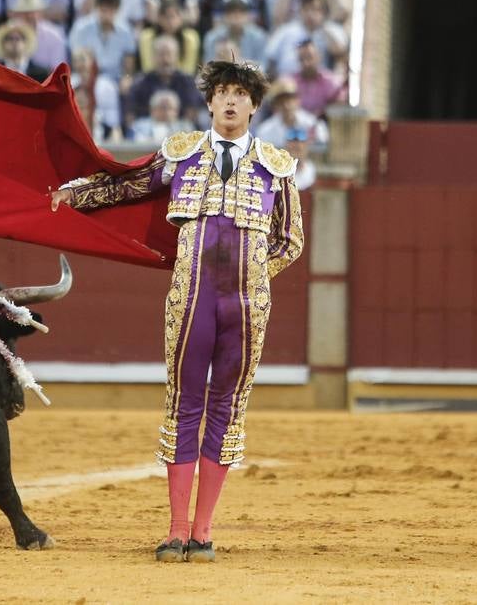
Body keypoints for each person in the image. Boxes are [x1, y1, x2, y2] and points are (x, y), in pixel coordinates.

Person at [50, 59, 304, 563]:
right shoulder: (181, 154)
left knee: (228, 408)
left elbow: (290, 240)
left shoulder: (277, 166)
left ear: (254, 106)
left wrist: (254, 277)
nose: (231, 101)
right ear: (210, 102)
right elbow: (125, 186)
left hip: (247, 307)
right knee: (184, 402)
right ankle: (175, 529)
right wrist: (72, 196)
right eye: (223, 93)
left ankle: (204, 531)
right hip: (191, 298)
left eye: (241, 94)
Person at [253, 78, 324, 191]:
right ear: (275, 105)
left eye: (290, 99)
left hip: (309, 175)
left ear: (297, 100)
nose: (287, 105)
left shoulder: (313, 124)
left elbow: (324, 150)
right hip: (278, 178)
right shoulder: (265, 131)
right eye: (282, 101)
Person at [266, 0, 349, 77]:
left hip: (319, 83)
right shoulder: (286, 30)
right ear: (300, 11)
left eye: (315, 10)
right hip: (287, 84)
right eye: (306, 9)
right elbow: (271, 57)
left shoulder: (332, 29)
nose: (310, 14)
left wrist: (322, 27)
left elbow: (340, 52)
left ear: (324, 12)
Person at [68, 0, 137, 84]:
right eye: (104, 10)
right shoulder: (81, 28)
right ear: (96, 8)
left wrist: (126, 78)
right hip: (86, 76)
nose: (107, 14)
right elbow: (77, 58)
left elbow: (128, 64)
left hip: (115, 79)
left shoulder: (125, 31)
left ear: (117, 10)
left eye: (111, 10)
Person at [285, 36, 346, 118]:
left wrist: (323, 113)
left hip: (323, 125)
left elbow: (340, 105)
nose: (306, 63)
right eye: (301, 59)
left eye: (309, 58)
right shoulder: (290, 82)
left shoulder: (330, 81)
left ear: (318, 57)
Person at [7, 0, 66, 69]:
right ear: (18, 14)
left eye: (33, 11)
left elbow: (56, 71)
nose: (29, 16)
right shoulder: (9, 34)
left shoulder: (54, 36)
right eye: (25, 12)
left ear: (40, 13)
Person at [137, 0, 201, 74]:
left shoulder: (190, 37)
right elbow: (147, 67)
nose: (171, 22)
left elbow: (188, 70)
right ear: (159, 18)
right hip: (153, 81)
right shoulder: (147, 36)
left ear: (181, 18)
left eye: (174, 17)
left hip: (182, 81)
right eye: (166, 17)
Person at [203, 0, 268, 64]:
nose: (237, 17)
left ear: (248, 16)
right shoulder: (212, 37)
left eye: (241, 13)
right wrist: (221, 60)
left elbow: (262, 67)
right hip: (221, 73)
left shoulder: (259, 37)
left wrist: (237, 61)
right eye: (232, 13)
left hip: (248, 74)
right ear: (225, 16)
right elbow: (207, 66)